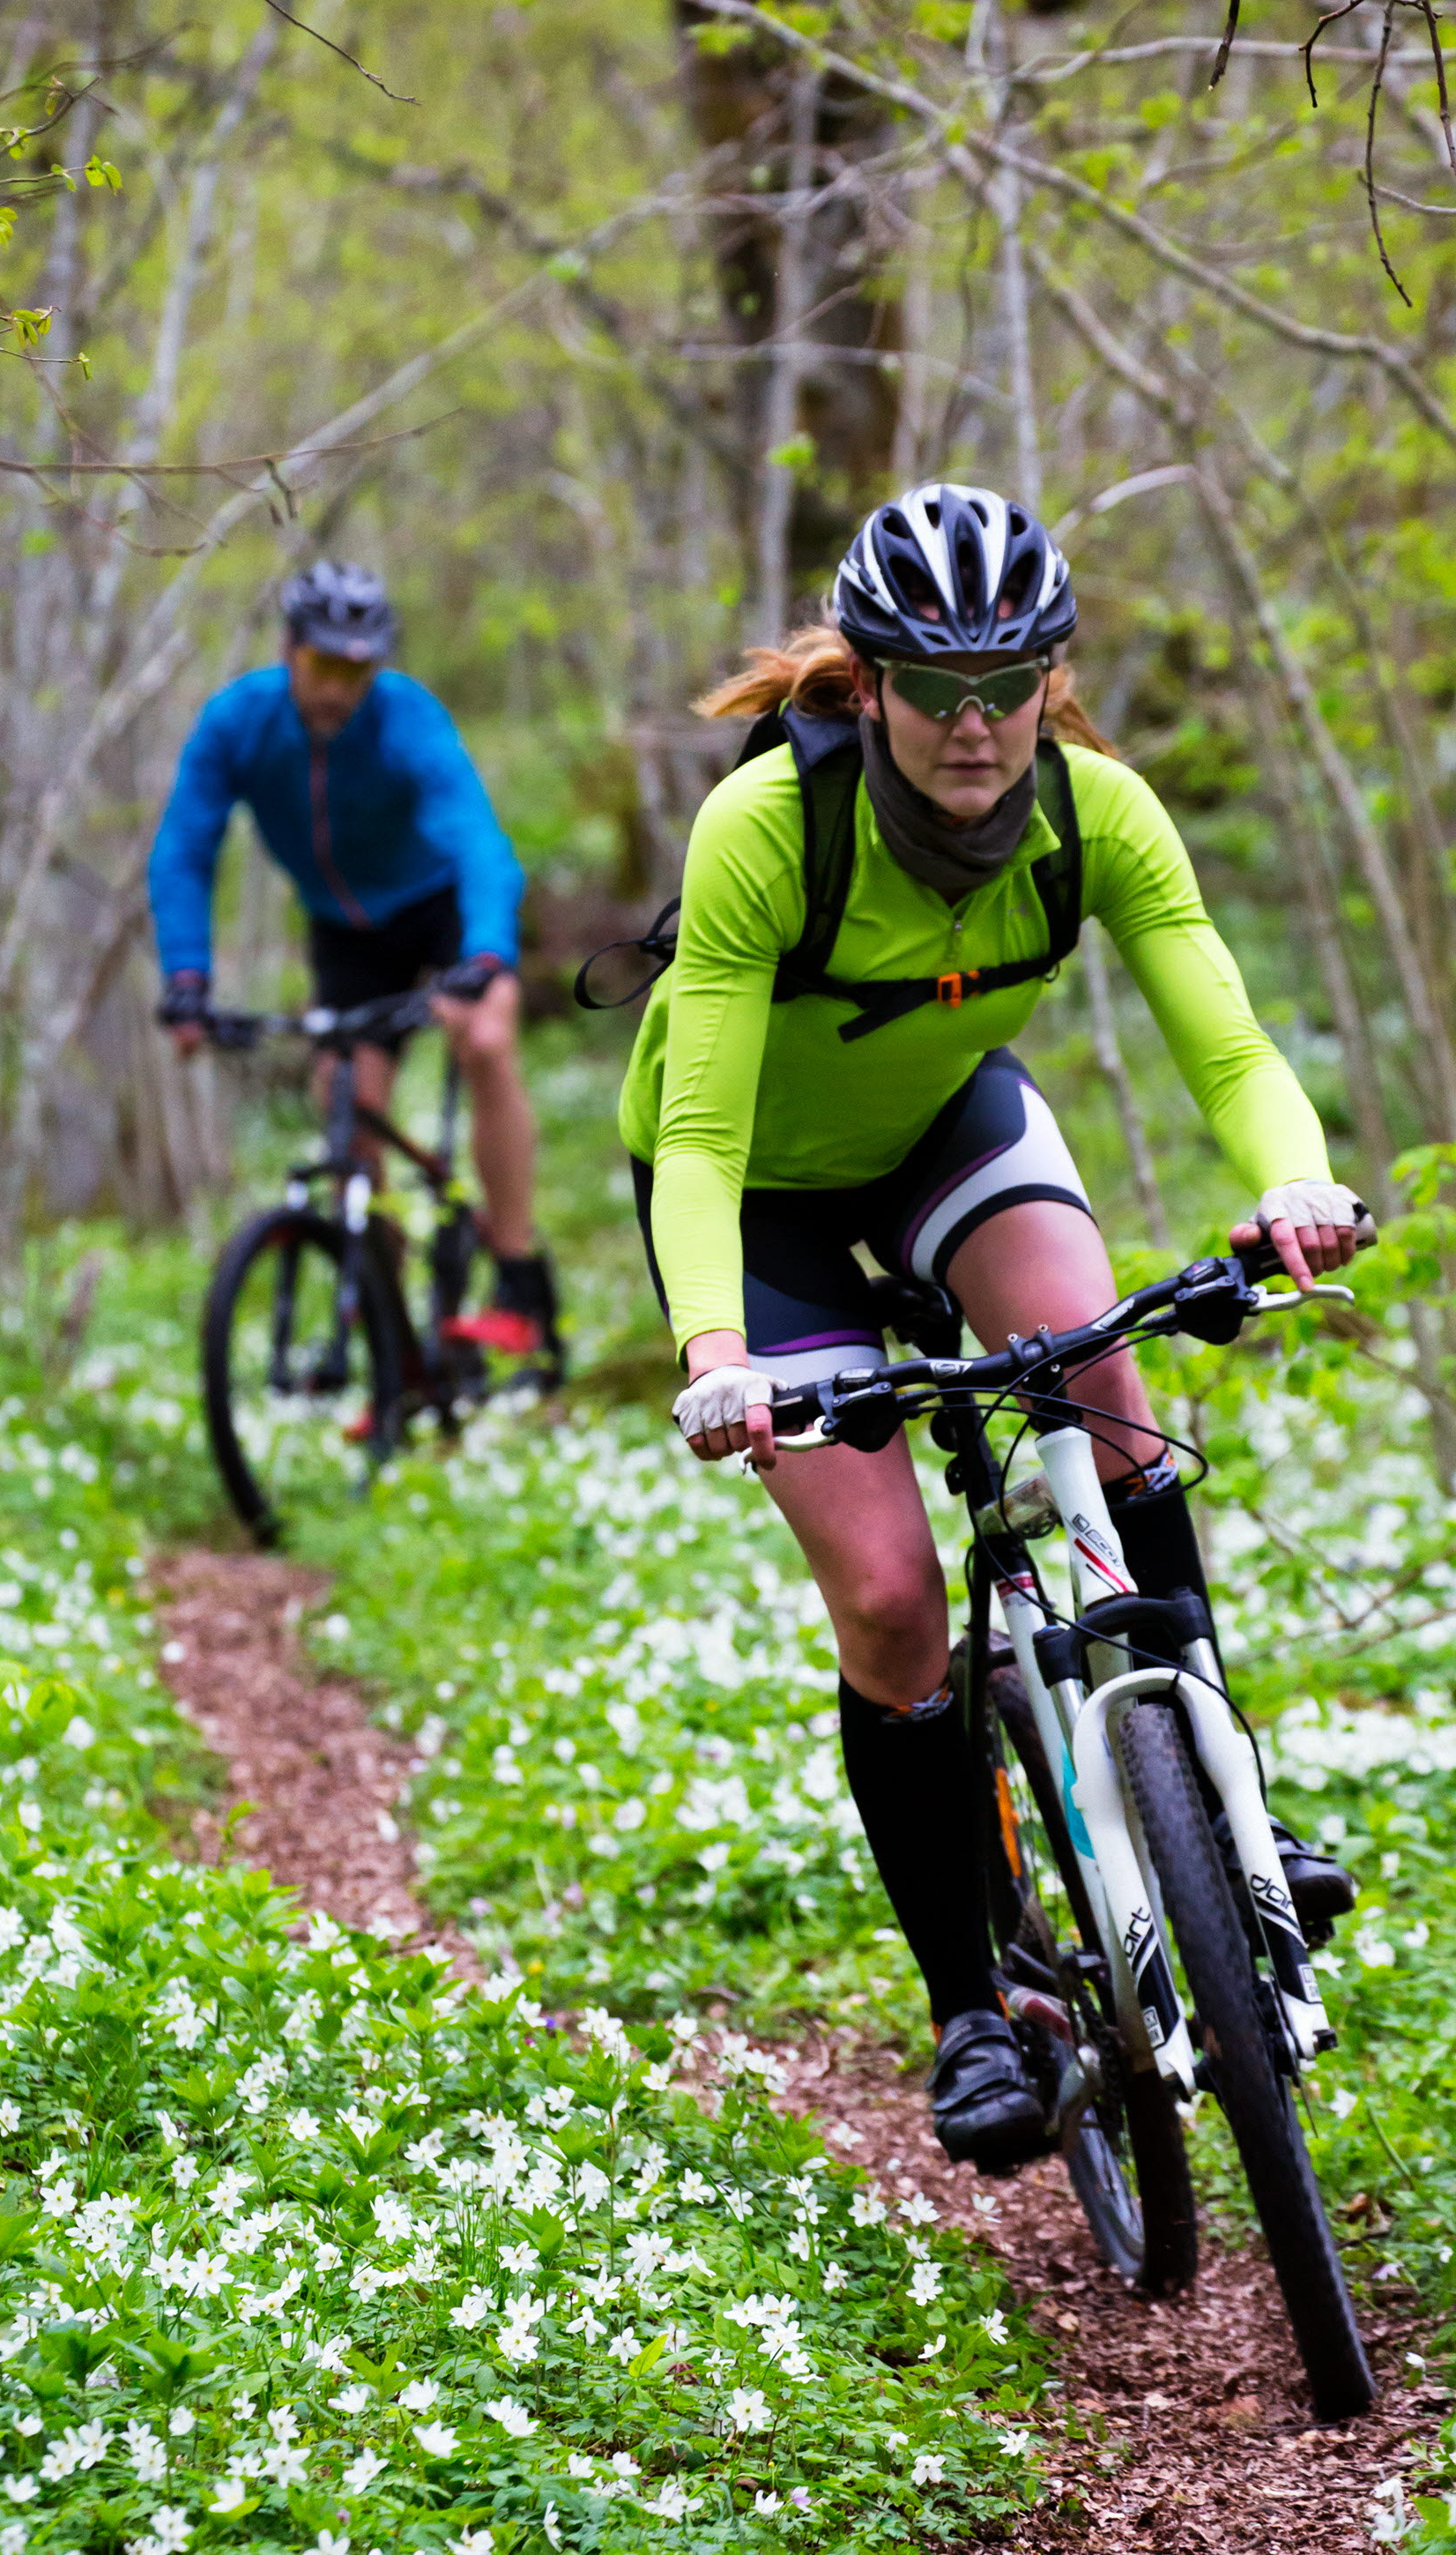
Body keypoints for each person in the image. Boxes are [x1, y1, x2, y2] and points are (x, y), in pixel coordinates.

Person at [621, 481, 1360, 2172]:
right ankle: (968, 2007)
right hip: (754, 1203)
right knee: (889, 1598)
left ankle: (1221, 1808)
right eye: (931, 688)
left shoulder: (1096, 817)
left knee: (1104, 1375)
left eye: (1004, 684)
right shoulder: (769, 834)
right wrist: (716, 1358)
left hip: (945, 1128)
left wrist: (1295, 1187)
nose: (972, 725)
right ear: (865, 684)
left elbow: (1229, 1049)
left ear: (1049, 680)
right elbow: (706, 1142)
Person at [149, 560, 561, 1372]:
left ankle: (515, 1270)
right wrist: (187, 978)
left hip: (440, 909)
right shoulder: (237, 723)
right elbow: (184, 851)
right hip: (346, 932)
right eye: (322, 666)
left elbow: (476, 838)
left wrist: (484, 955)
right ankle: (386, 1303)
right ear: (288, 650)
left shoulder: (405, 718)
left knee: (483, 1041)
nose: (339, 687)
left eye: (357, 669)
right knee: (342, 1099)